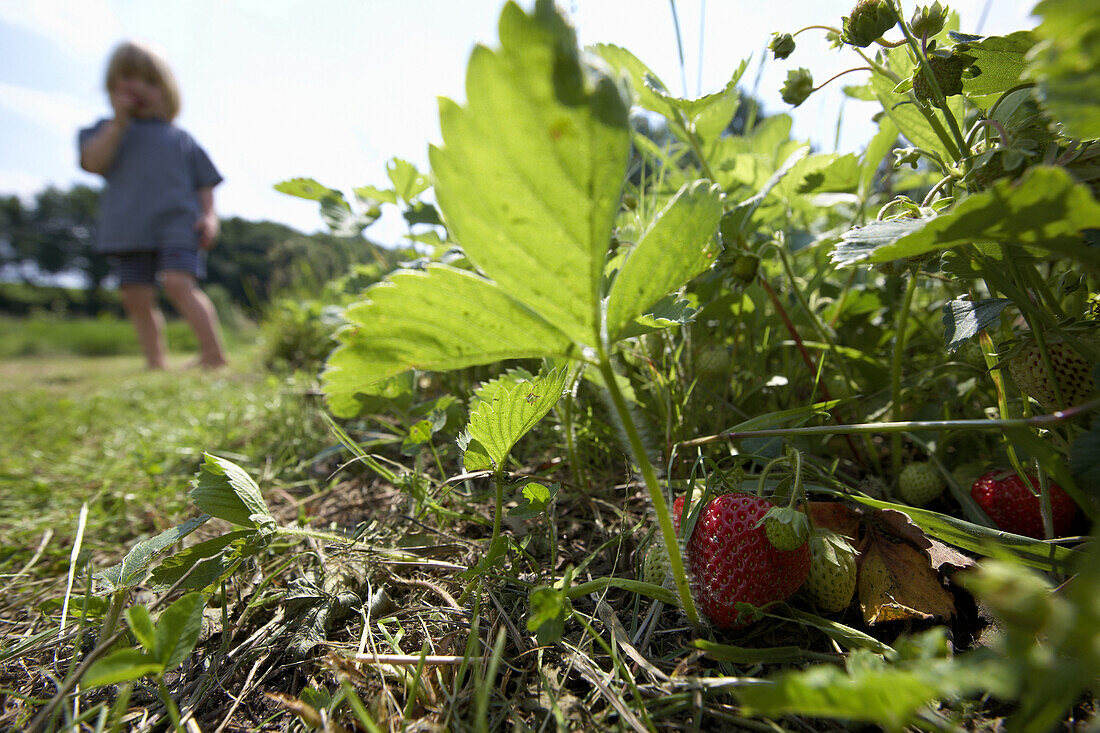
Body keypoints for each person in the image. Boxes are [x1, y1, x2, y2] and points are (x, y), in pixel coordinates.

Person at [79, 40, 228, 370]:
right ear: (112, 82)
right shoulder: (104, 131)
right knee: (135, 296)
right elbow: (92, 163)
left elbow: (206, 183)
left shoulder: (180, 139)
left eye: (150, 81)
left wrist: (210, 216)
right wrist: (118, 123)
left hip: (178, 222)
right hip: (129, 226)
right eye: (129, 77)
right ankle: (156, 362)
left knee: (179, 283)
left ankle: (213, 354)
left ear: (166, 91)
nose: (139, 87)